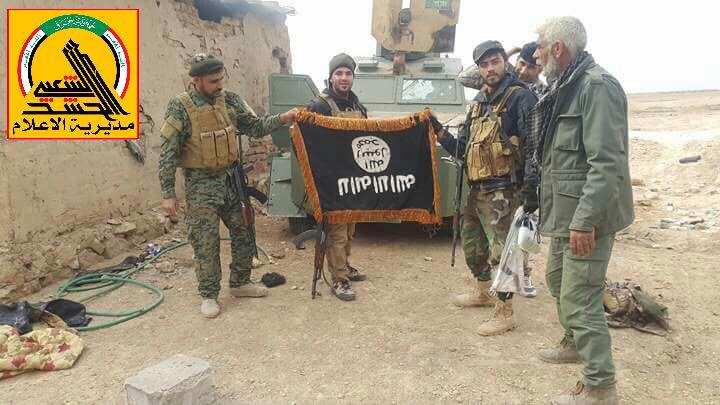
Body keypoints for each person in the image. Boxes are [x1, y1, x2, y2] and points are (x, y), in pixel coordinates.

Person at [532, 17, 634, 404]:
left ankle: (600, 386)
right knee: (557, 279)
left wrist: (585, 221)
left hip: (587, 217)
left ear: (558, 48)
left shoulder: (596, 86)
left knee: (580, 297)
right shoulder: (566, 85)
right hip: (566, 213)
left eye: (540, 46)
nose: (536, 54)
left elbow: (606, 163)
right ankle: (574, 342)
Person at [158, 54, 298, 318]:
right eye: (213, 81)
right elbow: (168, 150)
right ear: (196, 80)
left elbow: (255, 127)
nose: (219, 84)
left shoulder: (230, 100)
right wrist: (168, 192)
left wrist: (283, 118)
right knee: (205, 240)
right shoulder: (180, 106)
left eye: (221, 78)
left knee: (244, 229)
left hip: (231, 180)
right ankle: (209, 294)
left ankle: (240, 282)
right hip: (201, 185)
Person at [432, 41, 538, 336]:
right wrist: (439, 132)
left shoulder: (521, 97)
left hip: (504, 191)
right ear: (479, 69)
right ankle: (482, 291)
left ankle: (505, 313)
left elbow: (534, 148)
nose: (490, 69)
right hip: (476, 189)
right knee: (473, 246)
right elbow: (463, 149)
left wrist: (531, 191)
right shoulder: (478, 103)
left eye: (495, 62)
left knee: (503, 253)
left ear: (505, 62)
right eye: (484, 64)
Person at [306, 53, 368, 302]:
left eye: (348, 73)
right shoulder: (319, 106)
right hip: (331, 181)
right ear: (331, 77)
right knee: (337, 233)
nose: (344, 78)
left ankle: (345, 266)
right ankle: (339, 280)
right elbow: (304, 143)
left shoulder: (357, 106)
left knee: (350, 229)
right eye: (339, 73)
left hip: (354, 179)